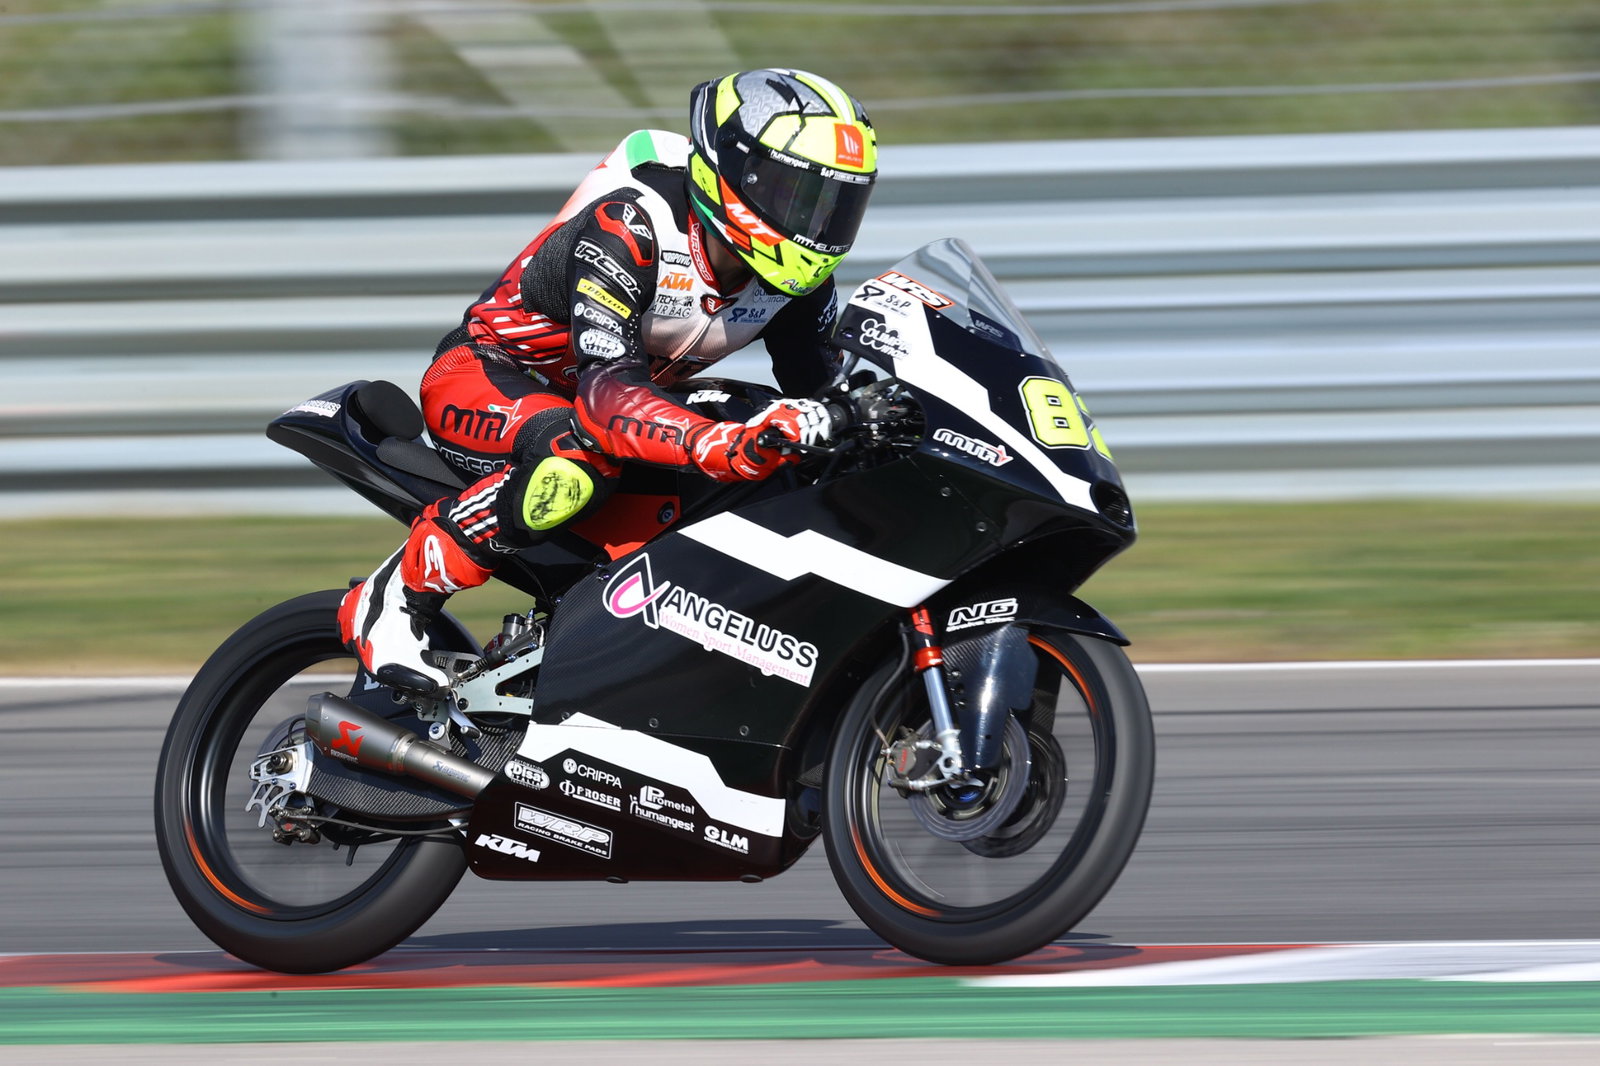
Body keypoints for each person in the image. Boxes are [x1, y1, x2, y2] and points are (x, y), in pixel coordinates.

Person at [339, 68, 879, 690]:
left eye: (835, 204)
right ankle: (398, 594)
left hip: (618, 398)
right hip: (488, 376)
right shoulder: (633, 226)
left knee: (794, 455)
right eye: (798, 194)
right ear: (735, 175)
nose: (816, 223)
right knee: (579, 458)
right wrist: (715, 441)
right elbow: (606, 403)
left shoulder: (801, 286)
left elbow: (822, 391)